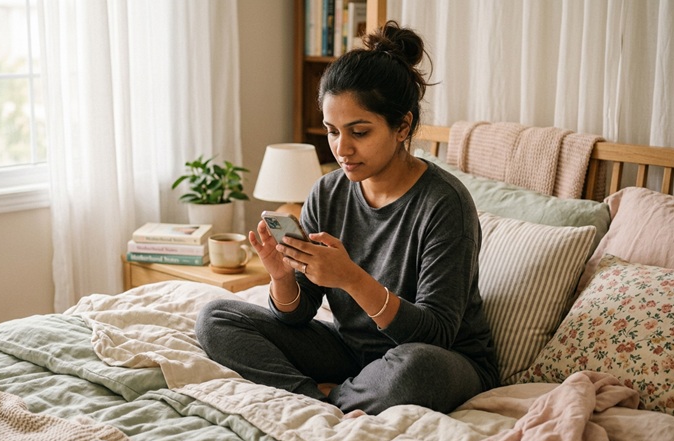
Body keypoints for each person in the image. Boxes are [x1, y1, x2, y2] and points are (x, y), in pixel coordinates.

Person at [195, 21, 498, 416]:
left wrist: (352, 278)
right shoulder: (327, 192)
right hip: (352, 351)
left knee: (417, 369)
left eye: (359, 132)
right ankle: (316, 401)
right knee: (216, 317)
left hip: (438, 359)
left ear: (402, 126)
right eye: (332, 131)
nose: (342, 148)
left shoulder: (445, 204)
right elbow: (299, 314)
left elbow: (436, 334)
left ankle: (336, 398)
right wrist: (283, 279)